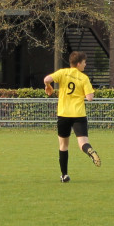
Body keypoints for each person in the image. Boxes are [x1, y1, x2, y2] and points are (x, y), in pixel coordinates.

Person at [44, 51, 100, 182]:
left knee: (63, 146)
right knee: (83, 143)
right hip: (78, 114)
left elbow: (47, 79)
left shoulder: (63, 73)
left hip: (63, 114)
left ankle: (64, 175)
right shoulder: (84, 78)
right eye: (84, 62)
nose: (85, 65)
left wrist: (48, 87)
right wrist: (88, 93)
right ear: (79, 63)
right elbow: (90, 98)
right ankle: (90, 151)